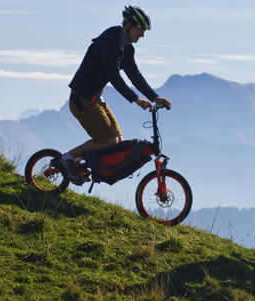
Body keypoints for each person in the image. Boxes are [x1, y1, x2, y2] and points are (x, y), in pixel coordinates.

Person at [57, 5, 172, 184]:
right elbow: (114, 76)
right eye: (140, 29)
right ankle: (67, 159)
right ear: (128, 25)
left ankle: (80, 163)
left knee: (117, 141)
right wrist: (136, 99)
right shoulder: (109, 43)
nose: (142, 35)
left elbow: (134, 75)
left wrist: (154, 97)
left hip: (94, 98)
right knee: (109, 140)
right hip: (82, 99)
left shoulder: (127, 48)